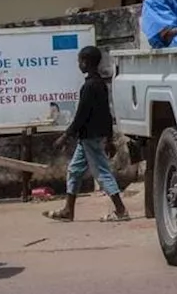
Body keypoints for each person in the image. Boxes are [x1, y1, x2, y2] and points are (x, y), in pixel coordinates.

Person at [44, 47, 128, 223]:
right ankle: (68, 210)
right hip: (89, 138)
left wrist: (65, 136)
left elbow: (81, 116)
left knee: (102, 173)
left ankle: (120, 210)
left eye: (79, 61)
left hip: (91, 138)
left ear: (85, 62)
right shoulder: (101, 85)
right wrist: (110, 138)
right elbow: (107, 114)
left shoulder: (89, 87)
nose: (78, 64)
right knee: (74, 170)